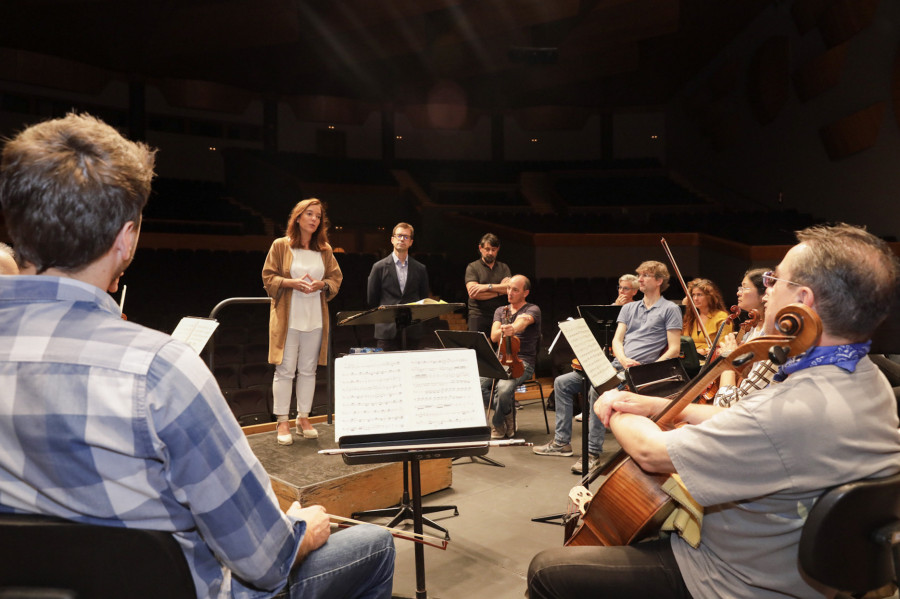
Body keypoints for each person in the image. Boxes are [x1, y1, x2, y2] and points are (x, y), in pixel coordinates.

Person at [0, 113, 394, 599]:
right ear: (127, 240)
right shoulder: (161, 373)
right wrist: (303, 527)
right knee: (374, 546)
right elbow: (266, 562)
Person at [528, 223, 900, 599]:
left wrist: (614, 404)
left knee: (548, 571)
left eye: (774, 280)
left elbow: (650, 452)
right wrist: (661, 405)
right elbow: (741, 421)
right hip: (791, 572)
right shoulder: (869, 381)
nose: (767, 290)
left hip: (727, 581)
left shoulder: (791, 409)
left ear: (801, 302)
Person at [533, 261, 683, 475]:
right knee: (562, 383)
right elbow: (617, 341)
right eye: (639, 275)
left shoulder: (670, 309)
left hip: (642, 372)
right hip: (617, 366)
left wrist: (645, 368)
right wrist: (622, 359)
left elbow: (674, 350)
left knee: (597, 390)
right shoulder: (630, 308)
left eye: (646, 275)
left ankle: (592, 454)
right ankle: (561, 442)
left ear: (659, 281)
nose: (640, 279)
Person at [263, 198, 343, 445]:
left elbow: (335, 279)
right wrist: (291, 283)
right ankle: (282, 421)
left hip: (315, 317)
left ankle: (303, 418)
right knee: (285, 370)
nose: (314, 219)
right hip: (288, 317)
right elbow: (268, 277)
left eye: (318, 216)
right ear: (297, 217)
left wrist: (323, 285)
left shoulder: (325, 249)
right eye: (309, 214)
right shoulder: (281, 245)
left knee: (308, 370)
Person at [480, 274, 541, 439]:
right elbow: (493, 336)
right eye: (508, 288)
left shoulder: (532, 309)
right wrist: (503, 331)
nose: (510, 293)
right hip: (499, 360)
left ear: (525, 293)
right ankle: (508, 410)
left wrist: (513, 329)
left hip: (523, 362)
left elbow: (524, 321)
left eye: (515, 290)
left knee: (504, 388)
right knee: (476, 386)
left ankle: (498, 423)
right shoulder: (501, 310)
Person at [713, 267, 777, 407]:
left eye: (744, 288)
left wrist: (729, 359)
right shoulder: (751, 330)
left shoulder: (772, 340)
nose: (738, 292)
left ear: (763, 295)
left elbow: (727, 405)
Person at [366, 222, 430, 350]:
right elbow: (372, 300)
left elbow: (424, 298)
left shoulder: (420, 268)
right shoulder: (378, 267)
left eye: (406, 237)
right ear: (392, 239)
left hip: (412, 330)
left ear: (411, 242)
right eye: (399, 235)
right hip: (386, 330)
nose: (402, 239)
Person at [464, 233, 511, 335]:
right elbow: (474, 293)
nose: (490, 252)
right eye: (487, 249)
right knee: (476, 349)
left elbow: (509, 289)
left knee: (500, 350)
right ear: (480, 248)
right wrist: (500, 292)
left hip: (500, 315)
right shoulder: (472, 267)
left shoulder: (504, 268)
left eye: (493, 250)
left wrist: (486, 287)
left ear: (498, 249)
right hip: (478, 314)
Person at [682, 278, 730, 357]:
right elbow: (684, 342)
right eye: (693, 295)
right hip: (691, 359)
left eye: (699, 295)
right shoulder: (691, 316)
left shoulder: (721, 317)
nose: (695, 299)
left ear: (709, 297)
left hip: (710, 360)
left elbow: (723, 346)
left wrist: (704, 351)